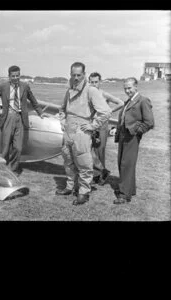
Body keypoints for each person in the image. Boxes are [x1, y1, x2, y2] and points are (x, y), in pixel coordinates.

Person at [57, 62, 112, 205]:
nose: (76, 78)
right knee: (68, 161)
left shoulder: (91, 90)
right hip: (68, 131)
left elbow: (105, 112)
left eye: (78, 75)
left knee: (84, 164)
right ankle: (69, 187)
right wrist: (63, 122)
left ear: (84, 74)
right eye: (73, 75)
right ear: (70, 74)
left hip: (81, 133)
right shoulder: (69, 90)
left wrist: (92, 126)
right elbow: (62, 109)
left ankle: (83, 192)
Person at [0, 65, 48, 175]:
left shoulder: (24, 86)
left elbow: (33, 100)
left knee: (18, 147)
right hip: (8, 118)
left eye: (17, 76)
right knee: (5, 147)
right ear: (9, 76)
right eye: (13, 76)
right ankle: (4, 169)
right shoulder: (3, 86)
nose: (15, 78)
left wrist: (41, 112)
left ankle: (13, 169)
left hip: (20, 118)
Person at [113, 77, 154, 204]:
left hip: (131, 137)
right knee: (122, 163)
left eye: (129, 88)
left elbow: (149, 122)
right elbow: (124, 119)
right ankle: (130, 189)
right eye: (125, 88)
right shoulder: (128, 102)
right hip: (123, 136)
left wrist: (136, 132)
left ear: (136, 87)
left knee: (126, 164)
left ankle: (124, 195)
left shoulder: (142, 100)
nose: (127, 90)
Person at [89, 72, 124, 185]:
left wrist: (109, 111)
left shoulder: (103, 94)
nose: (94, 84)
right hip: (91, 124)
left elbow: (120, 103)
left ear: (100, 82)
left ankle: (100, 176)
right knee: (90, 149)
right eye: (92, 82)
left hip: (102, 126)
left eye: (96, 82)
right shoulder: (89, 94)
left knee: (100, 150)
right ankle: (99, 173)